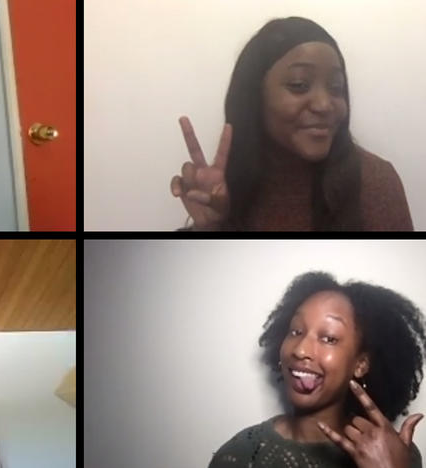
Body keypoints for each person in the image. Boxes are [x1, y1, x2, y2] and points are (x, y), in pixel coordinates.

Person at [170, 17, 412, 231]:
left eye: (336, 88)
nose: (324, 104)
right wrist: (212, 228)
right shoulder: (224, 188)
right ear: (254, 96)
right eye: (299, 85)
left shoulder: (376, 182)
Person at [209, 271, 425, 467]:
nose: (301, 350)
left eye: (329, 338)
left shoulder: (396, 454)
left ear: (360, 364)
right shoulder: (242, 456)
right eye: (295, 331)